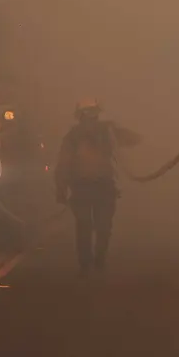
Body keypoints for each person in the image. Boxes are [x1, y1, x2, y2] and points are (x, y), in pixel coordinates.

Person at [54, 98, 140, 278]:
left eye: (92, 114)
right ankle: (90, 263)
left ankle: (94, 262)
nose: (90, 119)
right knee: (89, 226)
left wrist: (114, 130)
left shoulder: (106, 132)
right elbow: (64, 163)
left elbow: (133, 139)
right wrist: (60, 188)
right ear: (82, 116)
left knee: (98, 226)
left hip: (101, 186)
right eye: (88, 114)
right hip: (85, 187)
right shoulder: (75, 137)